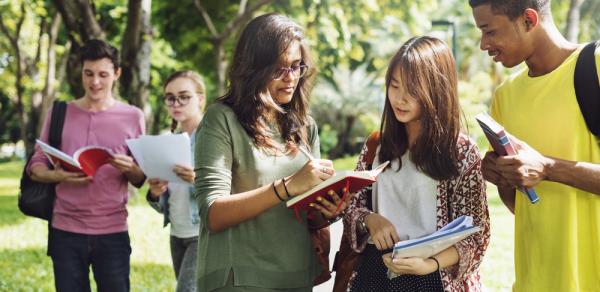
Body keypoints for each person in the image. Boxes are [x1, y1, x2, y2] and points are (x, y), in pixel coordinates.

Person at [194, 13, 349, 291]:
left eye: (296, 66)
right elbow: (213, 214)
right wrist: (288, 186)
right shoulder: (221, 119)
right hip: (240, 278)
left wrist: (328, 209)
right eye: (278, 69)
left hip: (296, 276)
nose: (290, 78)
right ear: (253, 68)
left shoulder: (305, 126)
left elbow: (306, 215)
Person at [342, 36, 490, 292]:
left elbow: (477, 234)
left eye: (412, 90)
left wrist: (429, 264)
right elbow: (351, 206)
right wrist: (370, 220)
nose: (400, 99)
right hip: (376, 272)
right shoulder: (377, 145)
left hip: (435, 277)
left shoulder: (461, 152)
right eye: (395, 86)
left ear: (436, 90)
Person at [470, 1, 600, 291]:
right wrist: (500, 175)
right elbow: (521, 205)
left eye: (489, 31)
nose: (483, 44)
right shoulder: (505, 97)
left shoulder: (596, 68)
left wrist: (547, 168)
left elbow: (542, 169)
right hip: (534, 281)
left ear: (529, 20)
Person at [28, 39, 146, 292]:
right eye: (88, 74)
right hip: (65, 230)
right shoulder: (59, 112)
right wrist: (57, 175)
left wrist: (129, 168)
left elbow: (140, 177)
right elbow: (36, 163)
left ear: (117, 74)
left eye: (103, 75)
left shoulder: (133, 116)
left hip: (113, 231)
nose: (95, 82)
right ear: (80, 72)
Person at [146, 71, 206, 292]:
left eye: (184, 96)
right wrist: (155, 192)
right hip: (177, 233)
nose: (176, 103)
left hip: (203, 234)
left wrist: (197, 179)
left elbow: (233, 186)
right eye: (170, 98)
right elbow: (160, 203)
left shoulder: (213, 138)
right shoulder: (167, 141)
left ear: (200, 98)